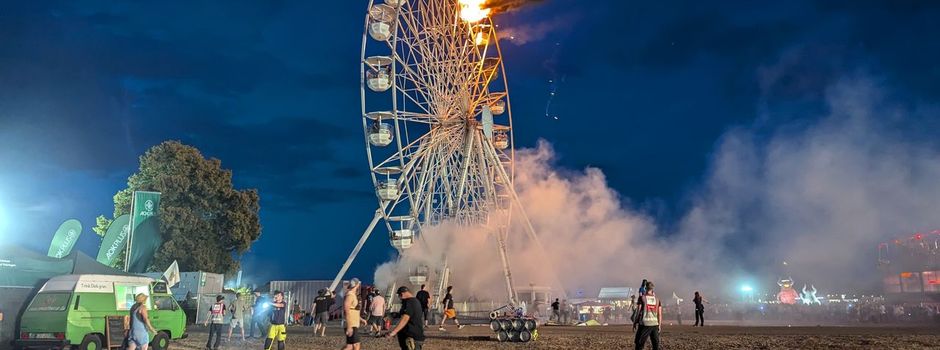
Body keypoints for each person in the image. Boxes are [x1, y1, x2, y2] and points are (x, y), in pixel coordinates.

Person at [633, 281, 661, 350]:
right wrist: (659, 325)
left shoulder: (642, 298)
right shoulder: (657, 300)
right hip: (654, 324)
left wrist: (635, 322)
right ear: (652, 289)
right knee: (655, 344)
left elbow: (638, 311)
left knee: (639, 344)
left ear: (645, 288)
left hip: (644, 323)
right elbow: (659, 314)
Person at [343, 279, 363, 350]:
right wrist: (349, 326)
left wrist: (361, 319)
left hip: (353, 323)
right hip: (351, 324)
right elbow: (346, 310)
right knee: (356, 345)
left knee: (350, 346)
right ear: (357, 285)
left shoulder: (353, 294)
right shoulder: (350, 295)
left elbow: (353, 310)